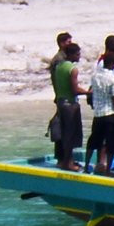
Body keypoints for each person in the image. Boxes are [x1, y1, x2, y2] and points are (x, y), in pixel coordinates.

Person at [82, 41, 114, 176]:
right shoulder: (113, 79)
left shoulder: (95, 76)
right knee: (111, 144)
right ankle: (107, 171)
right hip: (110, 114)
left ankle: (86, 166)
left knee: (94, 141)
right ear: (113, 64)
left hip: (98, 113)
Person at [49, 42, 85, 171]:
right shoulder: (72, 69)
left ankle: (65, 160)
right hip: (70, 104)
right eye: (77, 54)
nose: (79, 56)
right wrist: (88, 92)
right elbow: (75, 90)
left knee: (65, 134)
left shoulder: (59, 67)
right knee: (70, 134)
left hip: (61, 102)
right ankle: (68, 163)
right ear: (71, 54)